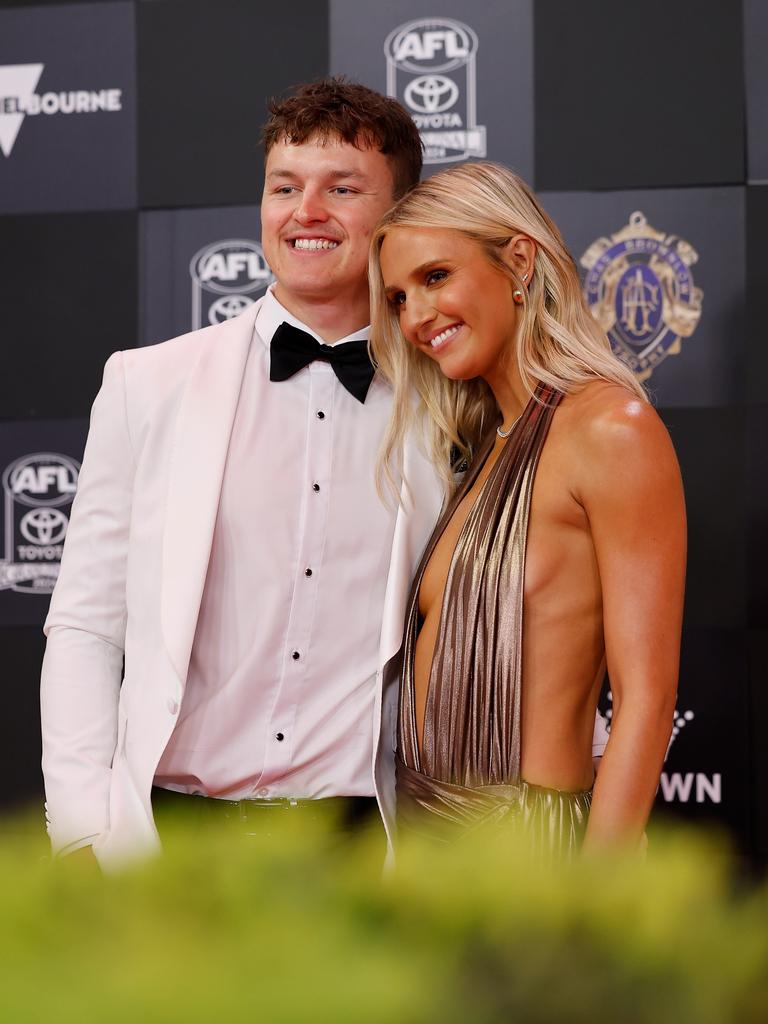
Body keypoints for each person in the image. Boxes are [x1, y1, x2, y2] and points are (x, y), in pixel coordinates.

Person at [40, 78, 447, 870]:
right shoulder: (146, 383)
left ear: (398, 214)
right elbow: (87, 625)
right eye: (285, 187)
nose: (307, 212)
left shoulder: (448, 404)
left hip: (362, 851)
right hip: (166, 846)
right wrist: (84, 833)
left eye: (342, 189)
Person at [369, 162, 686, 858]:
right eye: (397, 298)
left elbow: (646, 700)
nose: (416, 317)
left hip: (529, 861)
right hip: (426, 848)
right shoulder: (485, 443)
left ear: (519, 258)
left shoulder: (612, 429)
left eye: (435, 277)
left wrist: (589, 912)